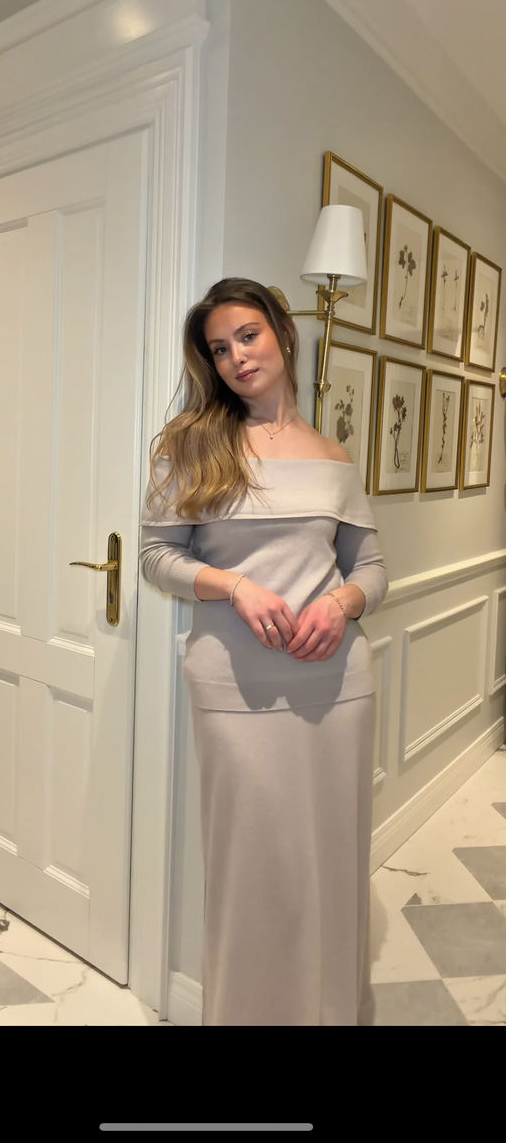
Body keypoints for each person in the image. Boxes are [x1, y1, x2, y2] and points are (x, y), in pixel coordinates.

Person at [139, 278, 388, 1026]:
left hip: (337, 687)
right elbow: (156, 556)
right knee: (251, 869)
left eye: (247, 335)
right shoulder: (192, 443)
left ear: (282, 331)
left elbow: (373, 569)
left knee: (332, 862)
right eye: (219, 348)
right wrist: (233, 586)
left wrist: (342, 603)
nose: (236, 357)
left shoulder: (334, 455)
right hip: (233, 687)